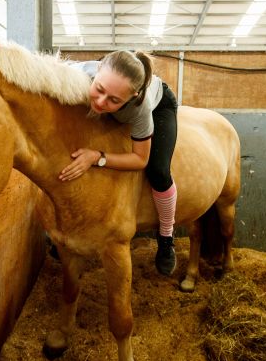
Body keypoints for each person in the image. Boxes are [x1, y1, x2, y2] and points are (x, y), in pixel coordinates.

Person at [59, 51, 179, 276]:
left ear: (132, 96)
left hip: (161, 105)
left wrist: (97, 157)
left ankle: (166, 236)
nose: (101, 102)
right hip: (115, 101)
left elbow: (140, 159)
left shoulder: (139, 108)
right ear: (98, 69)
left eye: (114, 100)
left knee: (158, 170)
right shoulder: (78, 72)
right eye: (99, 89)